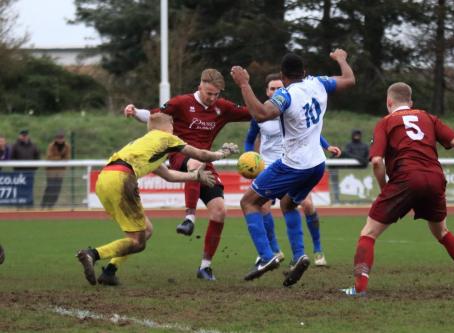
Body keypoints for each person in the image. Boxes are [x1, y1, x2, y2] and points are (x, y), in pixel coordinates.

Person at [341, 82, 454, 296]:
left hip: (405, 178)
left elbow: (376, 161)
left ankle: (359, 289)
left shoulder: (385, 122)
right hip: (435, 177)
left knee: (369, 232)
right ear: (411, 102)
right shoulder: (428, 117)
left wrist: (385, 188)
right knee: (442, 232)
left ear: (389, 102)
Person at [231, 49, 355, 287]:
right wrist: (341, 59)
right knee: (289, 204)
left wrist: (244, 84)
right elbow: (349, 79)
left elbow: (260, 113)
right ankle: (300, 256)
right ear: (304, 72)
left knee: (248, 202)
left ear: (282, 75)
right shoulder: (318, 83)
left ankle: (268, 257)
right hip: (317, 164)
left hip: (293, 164)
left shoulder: (286, 95)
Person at [76, 113, 239, 286]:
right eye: (172, 124)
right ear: (167, 126)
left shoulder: (146, 144)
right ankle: (93, 254)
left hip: (104, 180)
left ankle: (110, 272)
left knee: (146, 231)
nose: (174, 129)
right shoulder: (167, 138)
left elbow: (168, 175)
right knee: (138, 242)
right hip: (122, 178)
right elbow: (201, 154)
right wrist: (221, 153)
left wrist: (195, 177)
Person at [124, 68, 251, 280]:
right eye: (208, 93)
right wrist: (135, 111)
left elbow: (253, 112)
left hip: (205, 160)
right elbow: (155, 116)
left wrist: (276, 106)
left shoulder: (222, 108)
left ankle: (205, 267)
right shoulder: (181, 103)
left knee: (220, 211)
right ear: (200, 85)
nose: (212, 98)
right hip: (180, 157)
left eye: (216, 94)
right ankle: (189, 218)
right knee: (195, 163)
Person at [243, 73, 342, 267]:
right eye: (272, 88)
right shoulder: (262, 115)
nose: (276, 91)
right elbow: (249, 139)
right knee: (261, 205)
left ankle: (318, 250)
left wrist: (326, 146)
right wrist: (250, 158)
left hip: (293, 164)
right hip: (269, 166)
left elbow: (309, 132)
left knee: (307, 205)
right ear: (266, 91)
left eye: (279, 87)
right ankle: (275, 251)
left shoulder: (292, 103)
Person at [41, 131, 71, 208]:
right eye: (59, 138)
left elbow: (67, 157)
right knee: (50, 188)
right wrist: (60, 158)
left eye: (61, 138)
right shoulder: (51, 146)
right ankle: (43, 204)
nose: (60, 140)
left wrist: (58, 158)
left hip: (60, 172)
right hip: (51, 171)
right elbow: (49, 157)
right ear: (55, 139)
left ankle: (51, 205)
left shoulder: (67, 146)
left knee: (57, 189)